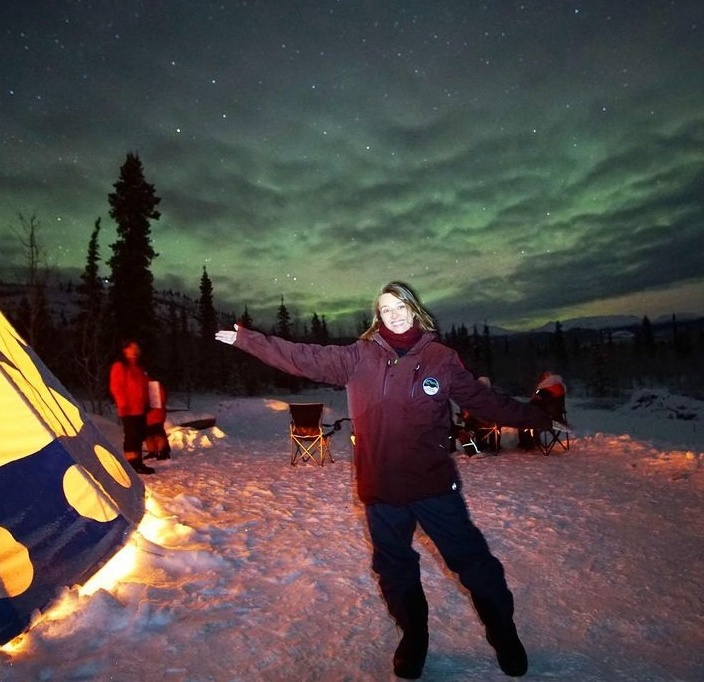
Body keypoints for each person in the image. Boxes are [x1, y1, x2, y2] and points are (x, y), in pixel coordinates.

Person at [216, 282, 553, 678]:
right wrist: (247, 339)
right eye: (384, 308)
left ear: (414, 309)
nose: (393, 314)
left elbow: (484, 402)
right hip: (381, 489)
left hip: (432, 485)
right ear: (378, 315)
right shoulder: (359, 357)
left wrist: (537, 416)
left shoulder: (442, 359)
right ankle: (414, 636)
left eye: (399, 306)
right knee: (394, 569)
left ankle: (503, 632)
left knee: (472, 560)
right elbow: (301, 357)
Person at [109, 339, 155, 475]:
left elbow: (146, 387)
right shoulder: (120, 366)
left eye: (137, 348)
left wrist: (149, 404)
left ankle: (138, 462)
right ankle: (131, 465)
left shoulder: (139, 368)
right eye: (131, 348)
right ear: (125, 350)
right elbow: (116, 387)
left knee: (139, 435)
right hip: (128, 409)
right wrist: (123, 405)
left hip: (141, 408)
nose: (135, 351)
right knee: (132, 436)